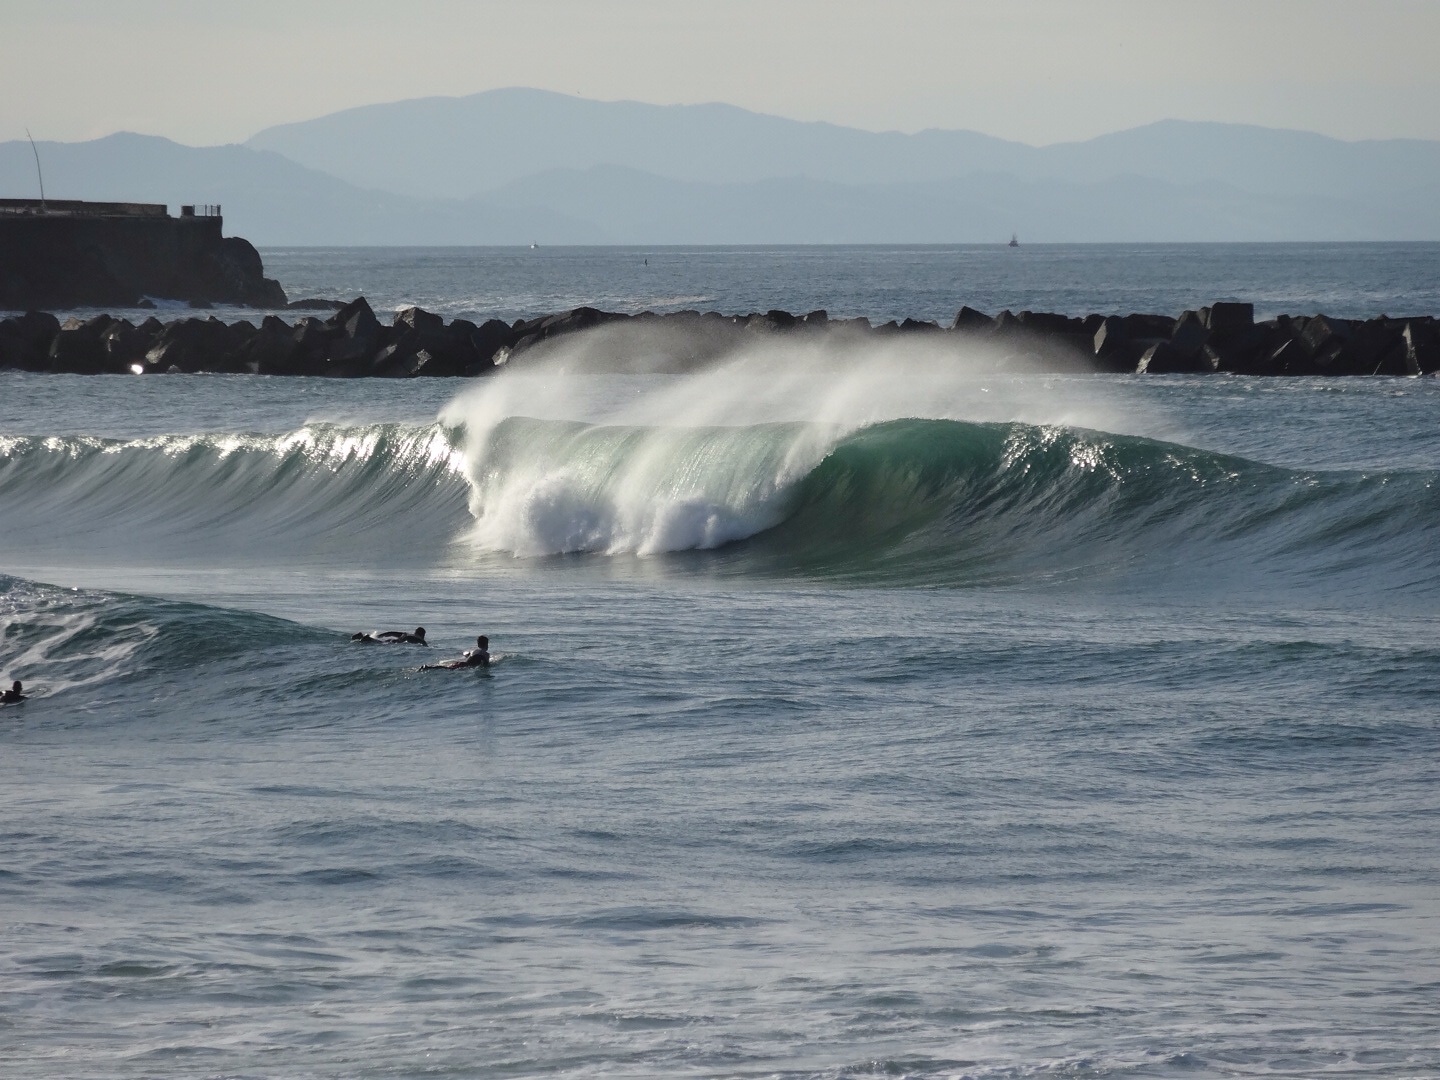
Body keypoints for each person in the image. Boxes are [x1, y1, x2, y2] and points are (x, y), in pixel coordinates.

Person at [421, 635, 490, 671]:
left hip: (462, 663)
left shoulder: (473, 651)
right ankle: (428, 668)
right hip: (465, 666)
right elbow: (486, 664)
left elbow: (466, 654)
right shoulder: (486, 654)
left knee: (446, 668)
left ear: (478, 644)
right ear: (486, 644)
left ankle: (429, 667)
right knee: (446, 669)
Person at [352, 627, 428, 645]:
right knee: (379, 644)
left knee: (380, 642)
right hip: (398, 643)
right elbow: (425, 646)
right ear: (422, 635)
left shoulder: (406, 633)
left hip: (394, 640)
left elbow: (391, 633)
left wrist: (378, 636)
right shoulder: (420, 640)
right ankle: (367, 638)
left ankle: (362, 636)